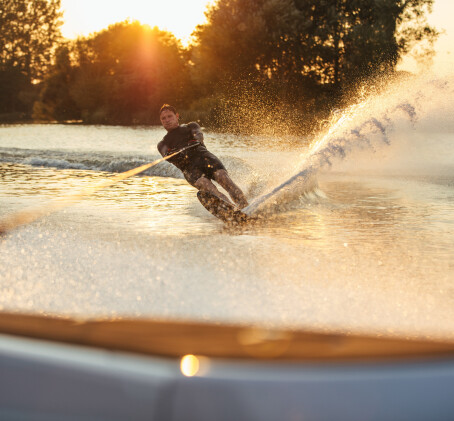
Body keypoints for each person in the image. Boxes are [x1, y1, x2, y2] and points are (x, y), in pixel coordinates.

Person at [157, 104, 249, 209]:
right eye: (163, 118)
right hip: (190, 169)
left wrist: (195, 141)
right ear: (161, 121)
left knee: (223, 177)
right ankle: (233, 210)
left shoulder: (191, 126)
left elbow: (198, 135)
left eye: (169, 116)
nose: (167, 120)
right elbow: (166, 155)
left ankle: (245, 206)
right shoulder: (162, 144)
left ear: (177, 116)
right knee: (206, 185)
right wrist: (174, 154)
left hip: (205, 158)